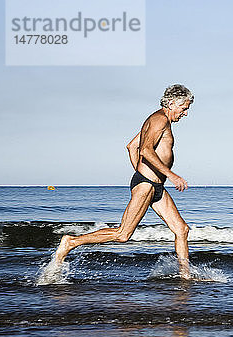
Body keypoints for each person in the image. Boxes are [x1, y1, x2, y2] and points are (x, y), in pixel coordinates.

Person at [54, 84, 195, 279]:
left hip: (155, 185)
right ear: (171, 103)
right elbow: (145, 150)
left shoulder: (157, 120)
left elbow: (132, 146)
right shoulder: (159, 120)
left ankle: (185, 276)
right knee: (123, 234)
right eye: (184, 108)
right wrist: (169, 175)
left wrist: (143, 172)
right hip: (147, 184)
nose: (185, 113)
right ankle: (70, 242)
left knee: (182, 229)